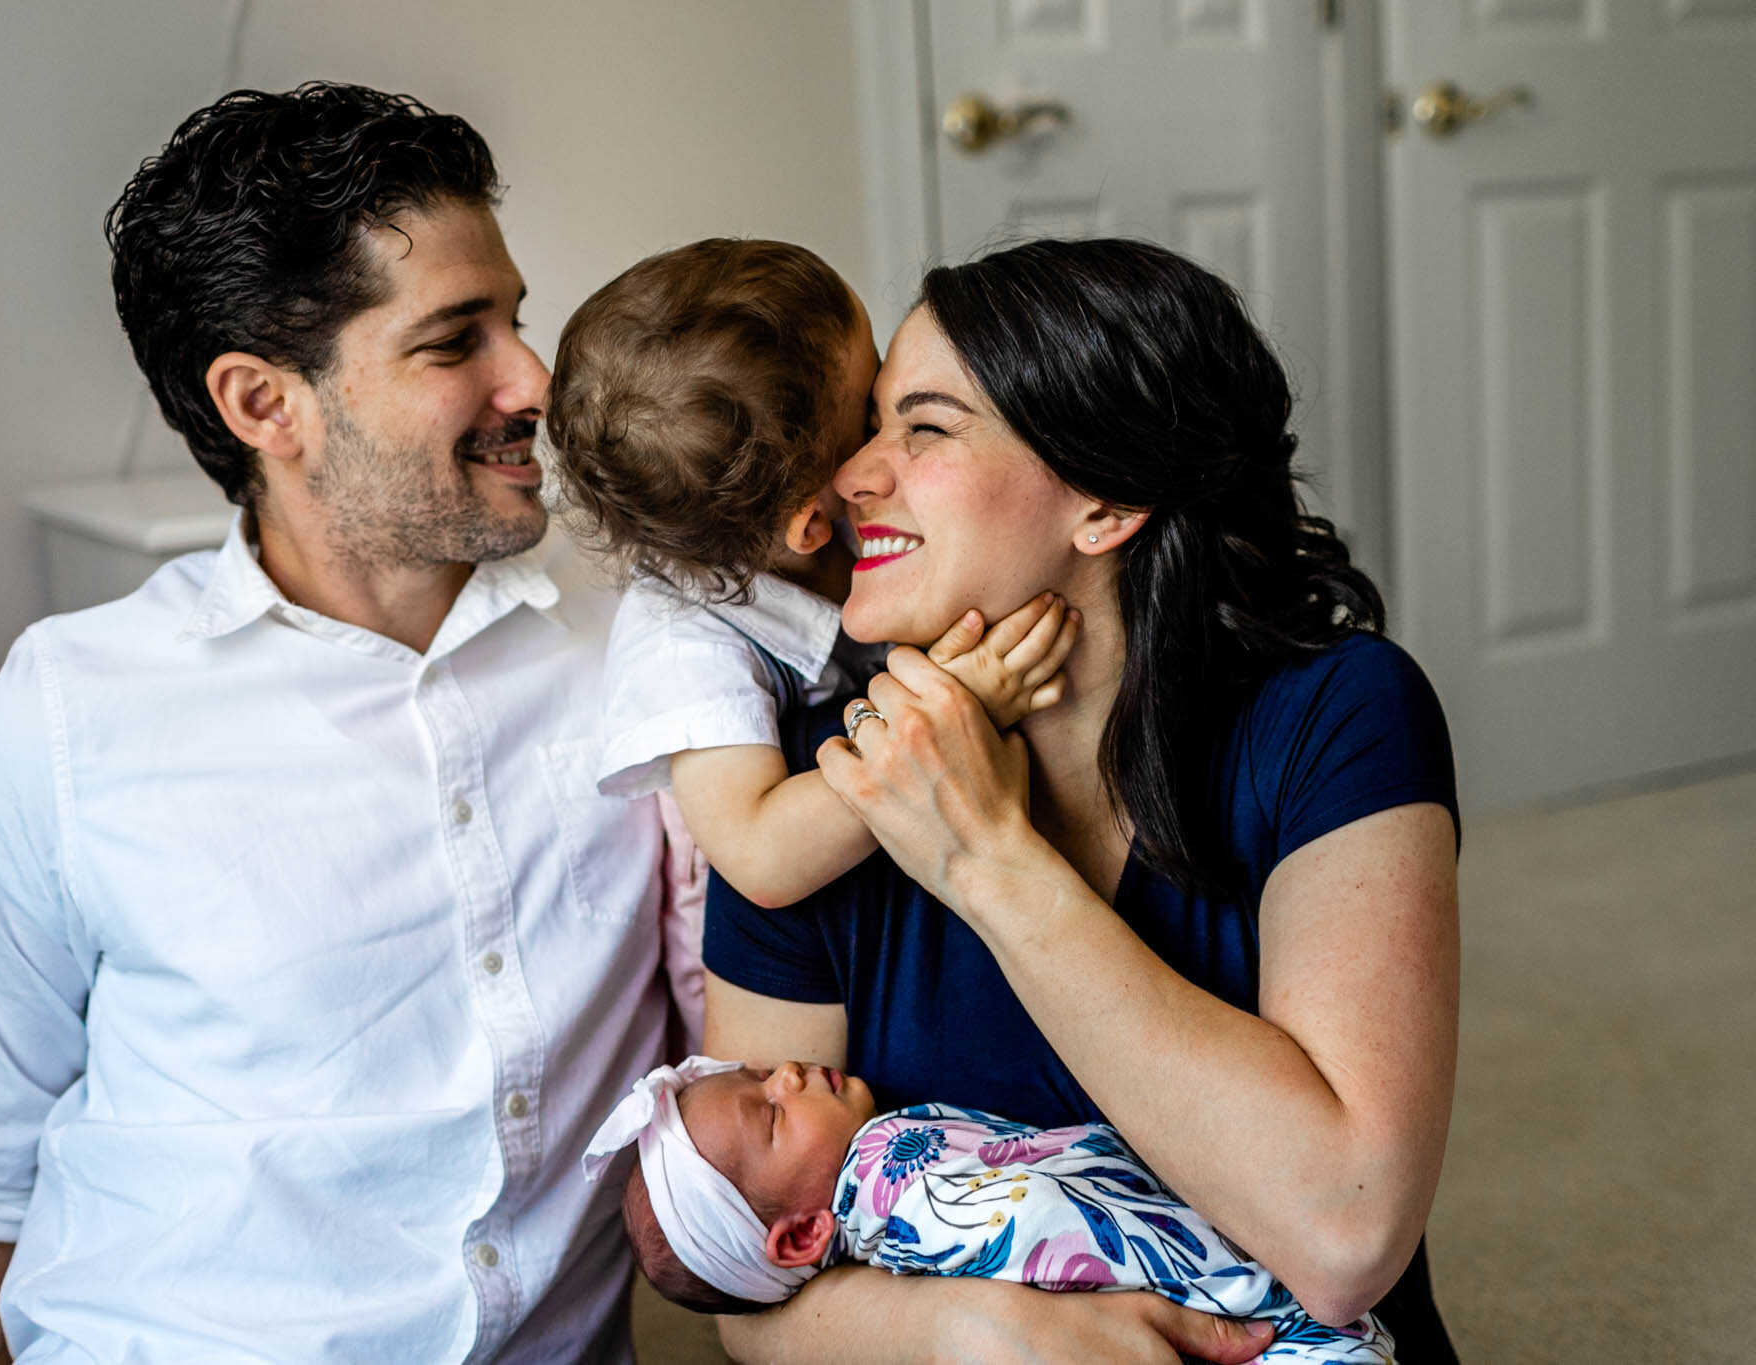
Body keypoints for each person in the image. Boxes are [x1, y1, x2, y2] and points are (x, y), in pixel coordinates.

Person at [0, 84, 669, 1364]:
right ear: (264, 405)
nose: (534, 378)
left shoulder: (639, 641)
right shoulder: (69, 716)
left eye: (514, 320)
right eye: (451, 340)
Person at [703, 238, 1461, 1362]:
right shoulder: (811, 788)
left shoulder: (1334, 713)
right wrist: (974, 1334)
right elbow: (744, 1284)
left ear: (1104, 500)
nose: (852, 475)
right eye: (871, 426)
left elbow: (1342, 1230)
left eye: (924, 427)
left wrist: (988, 863)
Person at [544, 239, 1072, 1045]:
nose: (893, 438)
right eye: (871, 415)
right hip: (764, 972)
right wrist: (947, 707)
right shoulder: (681, 641)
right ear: (810, 521)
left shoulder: (832, 531)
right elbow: (759, 855)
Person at [581, 1057, 1391, 1363]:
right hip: (1244, 1310)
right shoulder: (893, 1187)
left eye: (760, 1073)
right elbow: (1041, 1221)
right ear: (802, 1233)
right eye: (771, 1114)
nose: (786, 1073)